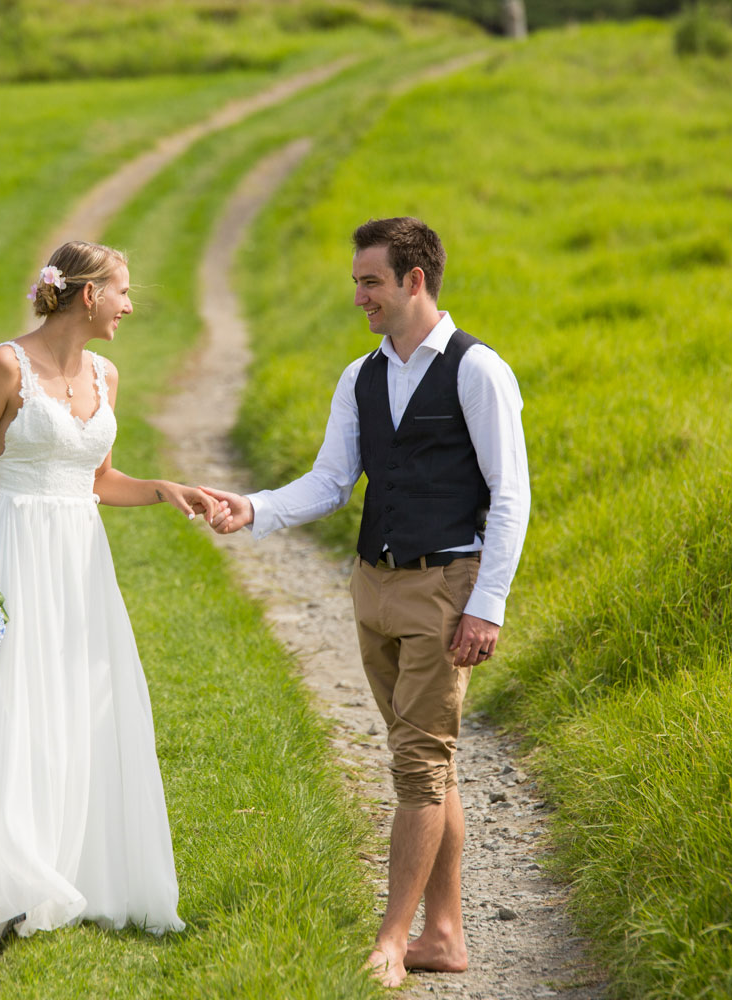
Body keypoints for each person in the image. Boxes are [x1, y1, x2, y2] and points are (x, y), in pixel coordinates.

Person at [0, 240, 214, 988]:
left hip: (79, 566)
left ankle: (41, 873)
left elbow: (95, 480)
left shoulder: (106, 374)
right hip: (10, 553)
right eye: (123, 292)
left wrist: (161, 487)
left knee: (70, 710)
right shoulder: (4, 367)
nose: (131, 305)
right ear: (85, 295)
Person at [204, 217, 530, 987]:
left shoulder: (479, 371)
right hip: (372, 585)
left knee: (419, 764)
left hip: (446, 585)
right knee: (426, 760)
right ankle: (444, 935)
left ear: (415, 280)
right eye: (358, 282)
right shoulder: (361, 376)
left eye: (370, 282)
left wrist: (488, 605)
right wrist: (252, 508)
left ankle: (391, 939)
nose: (359, 297)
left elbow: (511, 496)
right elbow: (329, 480)